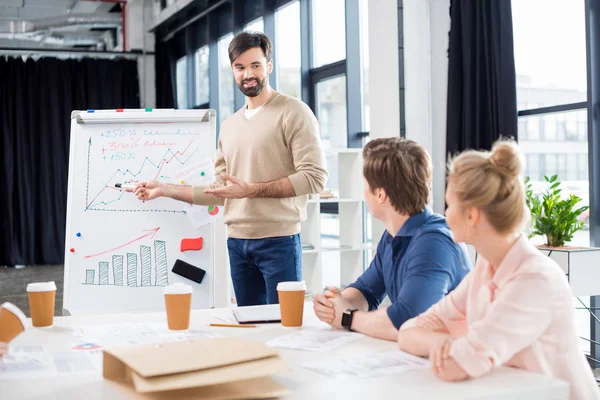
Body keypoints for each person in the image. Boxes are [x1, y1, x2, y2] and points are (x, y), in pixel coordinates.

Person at [133, 32, 327, 306]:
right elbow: (219, 192)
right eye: (240, 67)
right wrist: (164, 189)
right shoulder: (230, 125)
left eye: (256, 65)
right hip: (237, 243)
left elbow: (315, 177)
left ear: (269, 66)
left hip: (278, 241)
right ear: (233, 70)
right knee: (249, 326)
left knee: (284, 325)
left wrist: (251, 190)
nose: (248, 74)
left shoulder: (294, 112)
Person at [397, 140, 599, 399]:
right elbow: (408, 332)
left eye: (450, 205)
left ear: (472, 215)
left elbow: (457, 365)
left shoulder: (535, 280)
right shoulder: (485, 270)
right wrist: (440, 343)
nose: (445, 215)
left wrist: (450, 347)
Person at [313, 138, 471, 341]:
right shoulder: (392, 236)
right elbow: (366, 292)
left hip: (449, 358)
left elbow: (406, 321)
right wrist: (335, 303)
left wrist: (348, 317)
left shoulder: (434, 242)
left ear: (380, 194)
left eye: (365, 184)